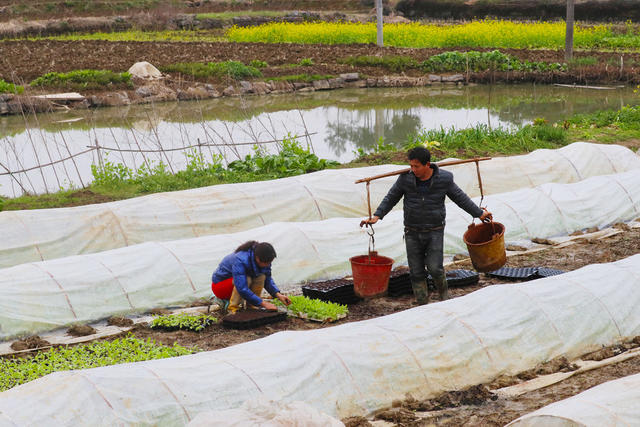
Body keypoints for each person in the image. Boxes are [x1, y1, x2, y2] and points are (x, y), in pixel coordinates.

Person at [360, 147, 492, 305]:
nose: (413, 169)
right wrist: (377, 216)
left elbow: (460, 198)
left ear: (427, 164)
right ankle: (422, 302)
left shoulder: (444, 179)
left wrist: (479, 213)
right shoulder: (405, 179)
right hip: (412, 231)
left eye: (416, 166)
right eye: (411, 166)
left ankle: (444, 297)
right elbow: (391, 198)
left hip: (434, 231)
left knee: (435, 268)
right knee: (416, 272)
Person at [211, 241, 291, 313]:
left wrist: (278, 295)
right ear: (258, 258)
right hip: (220, 286)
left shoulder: (262, 260)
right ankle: (233, 309)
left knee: (261, 276)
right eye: (267, 263)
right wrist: (263, 303)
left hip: (236, 285)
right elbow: (241, 287)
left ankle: (252, 307)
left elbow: (267, 279)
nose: (268, 265)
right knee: (247, 279)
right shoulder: (240, 259)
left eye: (270, 262)